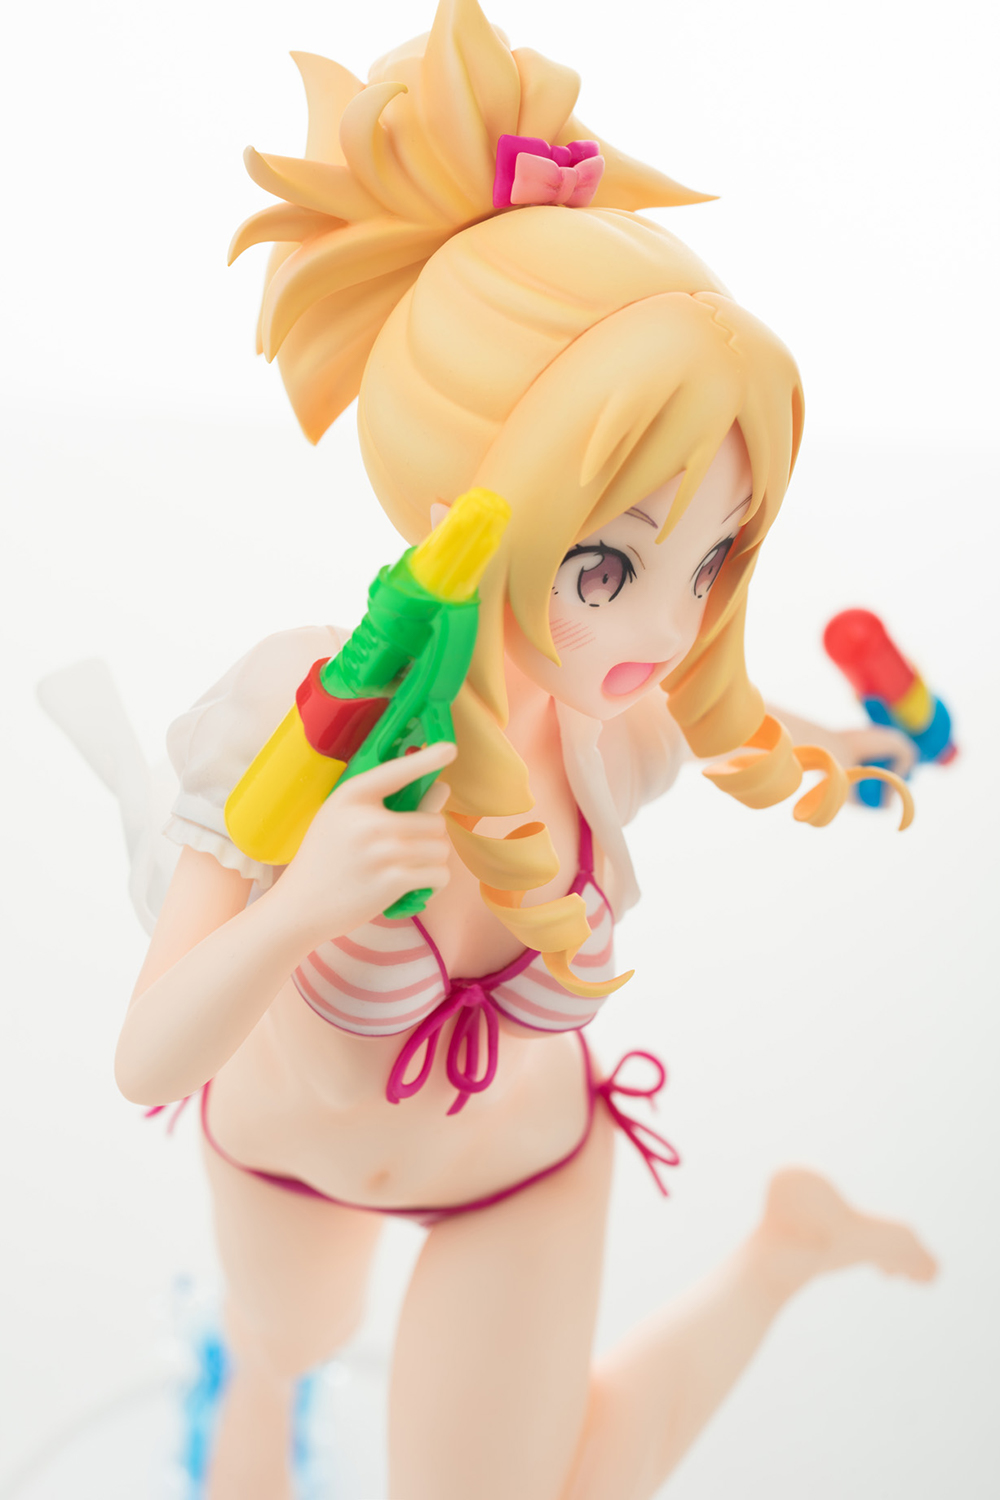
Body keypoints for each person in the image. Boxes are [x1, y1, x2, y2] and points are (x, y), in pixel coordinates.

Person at [114, 3, 936, 1495]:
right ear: (468, 498)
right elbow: (146, 1054)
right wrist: (300, 905)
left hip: (519, 1175)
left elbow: (746, 726)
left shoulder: (613, 731)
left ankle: (779, 1252)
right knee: (290, 1341)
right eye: (609, 564)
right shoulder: (304, 708)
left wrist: (861, 753)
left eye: (712, 561)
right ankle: (248, 1388)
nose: (668, 628)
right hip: (287, 1155)